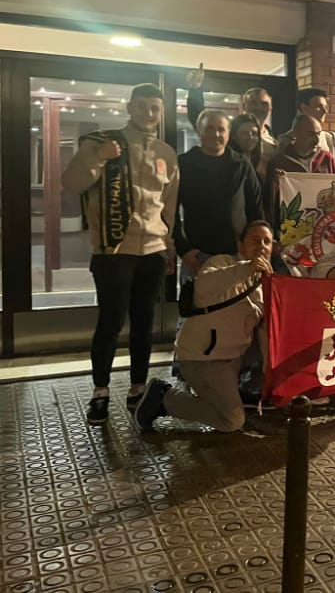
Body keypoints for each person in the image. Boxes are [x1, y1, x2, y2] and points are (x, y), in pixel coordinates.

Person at [62, 83, 179, 425]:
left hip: (153, 250)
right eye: (141, 106)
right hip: (113, 251)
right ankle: (100, 392)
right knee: (111, 322)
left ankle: (138, 389)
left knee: (143, 323)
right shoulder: (101, 143)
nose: (148, 113)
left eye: (154, 108)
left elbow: (169, 205)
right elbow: (71, 183)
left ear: (161, 112)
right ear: (130, 108)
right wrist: (99, 159)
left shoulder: (166, 153)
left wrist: (169, 244)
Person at [134, 221, 274, 433]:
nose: (262, 246)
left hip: (233, 358)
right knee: (232, 420)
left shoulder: (265, 281)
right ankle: (164, 397)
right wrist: (246, 268)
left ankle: (238, 390)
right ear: (240, 245)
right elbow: (205, 284)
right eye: (255, 240)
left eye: (267, 242)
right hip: (204, 359)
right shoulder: (222, 263)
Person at [175, 109, 263, 285]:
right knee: (197, 310)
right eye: (209, 128)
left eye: (221, 129)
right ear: (199, 130)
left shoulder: (241, 164)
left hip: (237, 255)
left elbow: (256, 209)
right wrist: (183, 250)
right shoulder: (184, 164)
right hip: (197, 256)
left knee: (239, 310)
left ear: (229, 134)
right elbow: (170, 211)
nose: (215, 134)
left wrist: (253, 247)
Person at [265, 114, 335, 223]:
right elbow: (269, 201)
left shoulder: (326, 158)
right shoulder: (278, 162)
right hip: (291, 224)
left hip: (321, 222)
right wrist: (274, 184)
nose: (316, 139)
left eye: (318, 134)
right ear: (295, 133)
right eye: (310, 134)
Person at [275, 88, 335, 161]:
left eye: (326, 107)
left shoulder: (330, 140)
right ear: (303, 108)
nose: (325, 111)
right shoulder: (285, 140)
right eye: (319, 107)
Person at [229, 113, 266, 179]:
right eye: (244, 133)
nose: (250, 137)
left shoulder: (261, 164)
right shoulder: (228, 163)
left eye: (254, 133)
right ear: (233, 136)